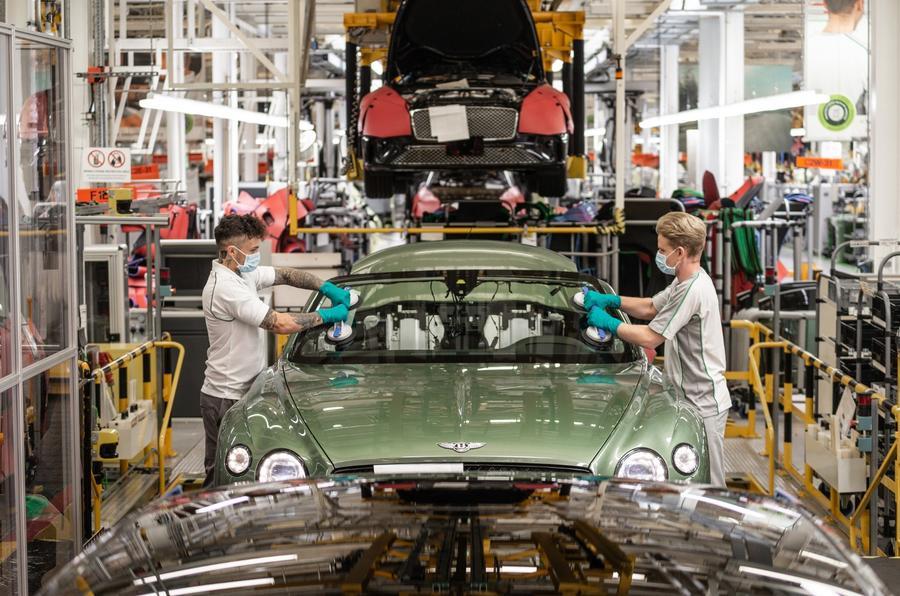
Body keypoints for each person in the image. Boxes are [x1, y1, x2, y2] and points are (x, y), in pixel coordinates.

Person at [200, 214, 348, 486]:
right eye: (254, 250)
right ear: (233, 251)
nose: (258, 255)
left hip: (245, 389)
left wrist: (326, 286)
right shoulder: (224, 288)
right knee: (221, 478)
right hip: (225, 396)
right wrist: (328, 315)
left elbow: (286, 275)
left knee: (249, 470)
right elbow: (279, 323)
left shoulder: (241, 272)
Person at [585, 212, 731, 487]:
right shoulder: (685, 280)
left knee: (711, 485)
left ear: (679, 252)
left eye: (662, 250)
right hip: (687, 396)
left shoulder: (692, 290)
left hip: (704, 400)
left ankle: (719, 528)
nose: (658, 255)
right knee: (688, 479)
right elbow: (651, 307)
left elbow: (651, 338)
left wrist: (608, 323)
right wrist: (611, 300)